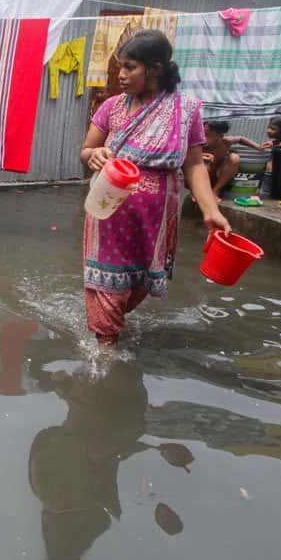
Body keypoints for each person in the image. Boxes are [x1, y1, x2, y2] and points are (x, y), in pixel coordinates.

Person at [80, 29, 231, 347]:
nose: (120, 75)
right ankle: (104, 351)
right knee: (108, 282)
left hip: (157, 216)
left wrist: (210, 210)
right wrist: (94, 155)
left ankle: (109, 325)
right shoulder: (112, 107)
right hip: (110, 206)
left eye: (130, 67)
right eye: (120, 66)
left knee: (141, 282)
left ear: (156, 68)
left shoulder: (187, 109)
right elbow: (86, 150)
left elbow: (193, 164)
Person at [202, 120, 240, 198]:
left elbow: (241, 139)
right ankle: (199, 192)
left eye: (207, 135)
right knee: (203, 163)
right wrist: (202, 155)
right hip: (201, 175)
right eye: (202, 133)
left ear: (220, 136)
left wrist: (258, 147)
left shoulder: (226, 141)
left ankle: (216, 190)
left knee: (235, 158)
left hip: (218, 174)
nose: (203, 138)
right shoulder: (198, 143)